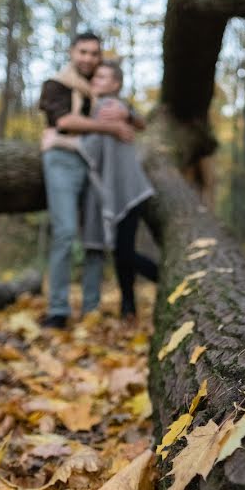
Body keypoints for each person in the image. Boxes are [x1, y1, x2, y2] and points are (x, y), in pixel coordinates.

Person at [38, 32, 134, 329]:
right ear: (72, 52)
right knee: (66, 232)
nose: (88, 58)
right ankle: (58, 310)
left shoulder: (100, 92)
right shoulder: (56, 85)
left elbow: (133, 119)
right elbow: (64, 121)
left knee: (95, 238)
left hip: (96, 166)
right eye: (83, 52)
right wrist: (111, 128)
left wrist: (125, 118)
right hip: (64, 163)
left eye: (94, 53)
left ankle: (91, 308)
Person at [79, 60, 159, 319]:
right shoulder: (97, 106)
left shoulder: (111, 105)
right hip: (115, 189)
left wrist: (127, 114)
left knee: (123, 251)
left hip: (128, 188)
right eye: (96, 76)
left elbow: (134, 119)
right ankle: (128, 307)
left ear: (115, 84)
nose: (96, 80)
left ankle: (162, 278)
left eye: (103, 77)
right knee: (120, 252)